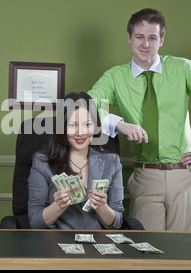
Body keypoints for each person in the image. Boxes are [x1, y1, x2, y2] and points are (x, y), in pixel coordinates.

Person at [88, 8, 191, 231]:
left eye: (152, 38)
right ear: (129, 38)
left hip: (185, 175)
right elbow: (85, 105)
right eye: (139, 37)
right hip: (145, 175)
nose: (145, 44)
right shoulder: (115, 77)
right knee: (146, 250)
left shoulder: (183, 69)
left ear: (162, 40)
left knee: (181, 252)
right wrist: (119, 124)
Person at [28, 92, 125, 229]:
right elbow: (34, 221)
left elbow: (117, 222)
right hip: (56, 243)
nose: (80, 132)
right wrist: (58, 206)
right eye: (73, 125)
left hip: (98, 243)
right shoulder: (42, 162)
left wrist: (102, 207)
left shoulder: (112, 162)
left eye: (87, 124)